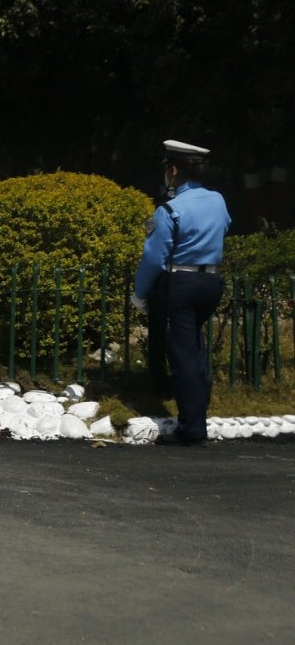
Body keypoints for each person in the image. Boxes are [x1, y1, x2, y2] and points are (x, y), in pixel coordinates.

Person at [132, 140, 230, 446]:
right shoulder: (218, 201)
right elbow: (225, 227)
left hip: (181, 285)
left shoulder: (170, 209)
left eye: (167, 170)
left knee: (183, 354)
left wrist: (139, 293)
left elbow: (154, 257)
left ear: (174, 171)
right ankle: (199, 407)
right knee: (195, 348)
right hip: (211, 282)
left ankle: (191, 428)